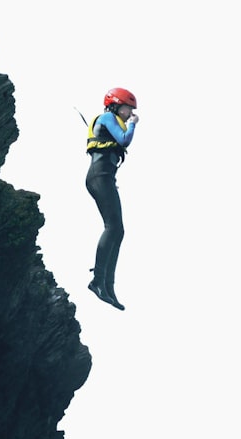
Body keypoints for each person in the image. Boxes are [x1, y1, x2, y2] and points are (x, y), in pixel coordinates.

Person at [85, 87, 138, 311]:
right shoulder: (108, 117)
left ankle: (108, 286)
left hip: (105, 177)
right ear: (116, 105)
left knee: (119, 230)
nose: (130, 113)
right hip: (99, 177)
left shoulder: (112, 118)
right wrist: (134, 123)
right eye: (128, 108)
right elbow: (124, 140)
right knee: (113, 226)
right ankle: (98, 281)